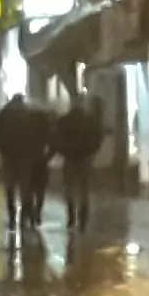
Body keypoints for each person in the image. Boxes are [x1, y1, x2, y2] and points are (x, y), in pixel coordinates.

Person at [0, 94, 50, 230]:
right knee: (25, 189)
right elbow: (33, 136)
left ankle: (12, 218)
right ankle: (26, 217)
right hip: (24, 158)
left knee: (10, 189)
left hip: (9, 158)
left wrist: (3, 151)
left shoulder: (4, 115)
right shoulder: (28, 115)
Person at [54, 95, 108, 229]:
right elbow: (98, 137)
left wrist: (63, 152)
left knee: (69, 189)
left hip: (70, 158)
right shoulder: (89, 121)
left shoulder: (64, 121)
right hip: (85, 159)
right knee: (84, 189)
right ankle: (83, 219)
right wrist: (91, 152)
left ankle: (71, 217)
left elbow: (56, 138)